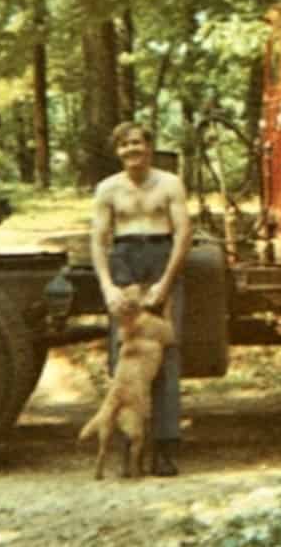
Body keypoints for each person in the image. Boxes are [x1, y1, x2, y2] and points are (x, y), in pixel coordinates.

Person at [90, 121, 192, 476]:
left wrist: (165, 283)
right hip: (124, 262)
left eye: (137, 143)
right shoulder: (108, 189)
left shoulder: (168, 184)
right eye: (124, 145)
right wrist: (108, 287)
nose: (132, 150)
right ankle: (128, 446)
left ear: (149, 147)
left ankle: (164, 448)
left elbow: (183, 234)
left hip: (161, 257)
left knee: (164, 355)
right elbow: (99, 240)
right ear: (118, 152)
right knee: (126, 356)